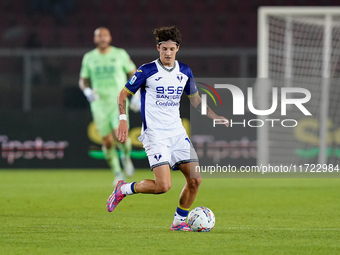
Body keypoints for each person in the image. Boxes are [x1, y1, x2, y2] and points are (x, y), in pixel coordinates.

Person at [107, 26, 229, 231]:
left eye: (172, 49)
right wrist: (122, 119)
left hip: (178, 134)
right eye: (164, 49)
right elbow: (123, 94)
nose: (168, 53)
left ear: (177, 48)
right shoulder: (146, 70)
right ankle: (124, 188)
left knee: (195, 180)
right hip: (156, 135)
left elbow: (196, 100)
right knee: (163, 186)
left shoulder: (185, 71)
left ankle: (179, 222)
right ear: (158, 48)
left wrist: (214, 116)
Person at [79, 27, 138, 185]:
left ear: (110, 38)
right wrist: (87, 91)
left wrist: (136, 93)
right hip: (99, 103)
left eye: (105, 35)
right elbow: (83, 80)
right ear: (95, 39)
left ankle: (126, 157)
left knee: (122, 137)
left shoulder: (120, 54)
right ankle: (118, 173)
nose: (102, 38)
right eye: (99, 36)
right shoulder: (89, 58)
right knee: (106, 141)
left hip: (118, 100)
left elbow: (134, 73)